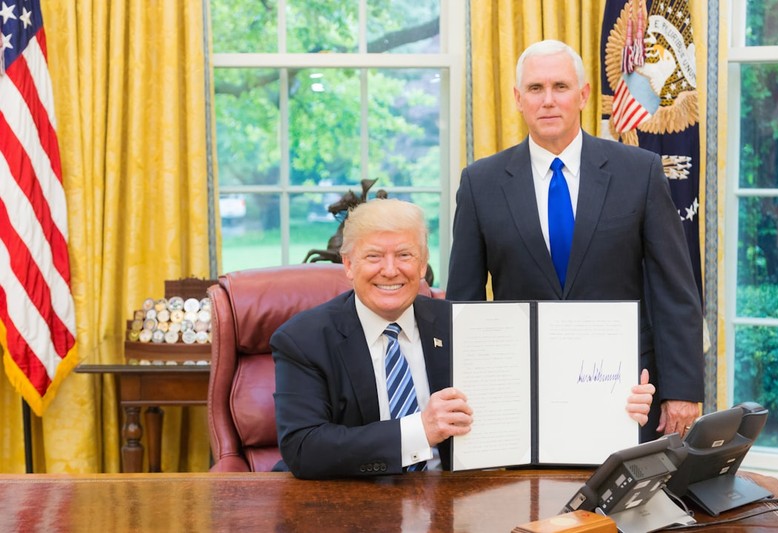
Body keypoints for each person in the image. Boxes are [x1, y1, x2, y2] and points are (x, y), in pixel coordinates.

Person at [273, 198, 656, 479]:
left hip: (460, 498)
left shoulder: (467, 325)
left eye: (405, 255)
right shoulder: (303, 340)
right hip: (352, 504)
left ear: (423, 265)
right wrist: (419, 431)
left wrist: (612, 406)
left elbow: (537, 405)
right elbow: (305, 449)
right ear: (348, 264)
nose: (390, 271)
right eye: (374, 256)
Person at [446, 40, 703, 442]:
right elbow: (465, 303)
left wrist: (682, 389)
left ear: (583, 95)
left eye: (560, 87)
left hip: (627, 393)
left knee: (622, 505)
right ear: (518, 99)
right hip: (522, 393)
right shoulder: (481, 183)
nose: (548, 100)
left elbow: (674, 288)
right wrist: (470, 396)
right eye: (535, 89)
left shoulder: (639, 172)